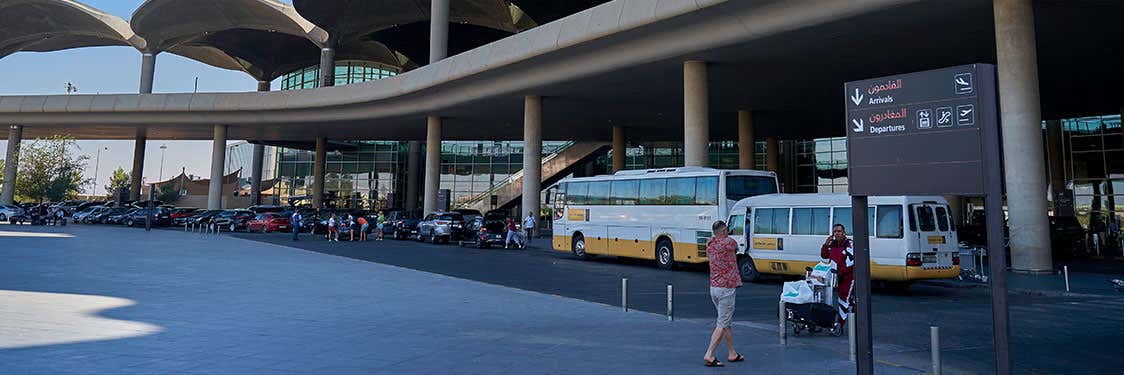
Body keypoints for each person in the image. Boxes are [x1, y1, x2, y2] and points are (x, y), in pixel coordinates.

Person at [702, 220, 743, 367]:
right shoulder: (729, 243)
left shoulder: (710, 246)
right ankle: (709, 354)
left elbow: (713, 240)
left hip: (714, 287)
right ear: (723, 231)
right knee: (722, 323)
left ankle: (732, 353)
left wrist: (713, 239)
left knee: (725, 322)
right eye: (726, 230)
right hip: (727, 288)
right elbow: (736, 248)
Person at [821, 223, 854, 326]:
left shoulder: (849, 243)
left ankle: (840, 323)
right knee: (831, 296)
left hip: (847, 276)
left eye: (839, 231)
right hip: (835, 276)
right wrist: (826, 244)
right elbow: (824, 255)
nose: (837, 233)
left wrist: (840, 272)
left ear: (844, 232)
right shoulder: (832, 244)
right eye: (835, 231)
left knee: (843, 297)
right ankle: (852, 307)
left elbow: (850, 262)